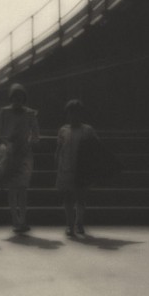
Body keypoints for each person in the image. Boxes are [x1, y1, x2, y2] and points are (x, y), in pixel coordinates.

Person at [0, 83, 40, 233]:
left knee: (23, 188)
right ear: (11, 98)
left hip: (25, 153)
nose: (17, 100)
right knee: (12, 188)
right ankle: (15, 220)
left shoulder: (30, 113)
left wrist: (29, 142)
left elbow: (36, 134)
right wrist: (7, 144)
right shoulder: (4, 112)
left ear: (23, 99)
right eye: (15, 97)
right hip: (9, 152)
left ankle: (23, 220)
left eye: (20, 97)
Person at [55, 100, 98, 237]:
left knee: (80, 196)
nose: (73, 116)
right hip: (66, 167)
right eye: (71, 113)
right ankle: (69, 224)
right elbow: (59, 149)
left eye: (76, 113)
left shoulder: (88, 130)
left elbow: (96, 148)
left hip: (82, 169)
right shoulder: (63, 130)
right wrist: (57, 163)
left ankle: (79, 222)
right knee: (68, 197)